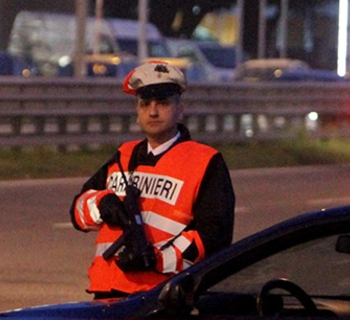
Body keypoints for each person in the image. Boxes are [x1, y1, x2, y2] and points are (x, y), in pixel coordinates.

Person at [70, 60, 235, 299]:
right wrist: (102, 204)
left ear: (180, 110)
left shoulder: (205, 162)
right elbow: (77, 211)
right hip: (108, 296)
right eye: (145, 104)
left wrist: (156, 260)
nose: (153, 111)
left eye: (163, 103)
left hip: (164, 299)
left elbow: (214, 238)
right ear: (137, 112)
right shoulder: (122, 156)